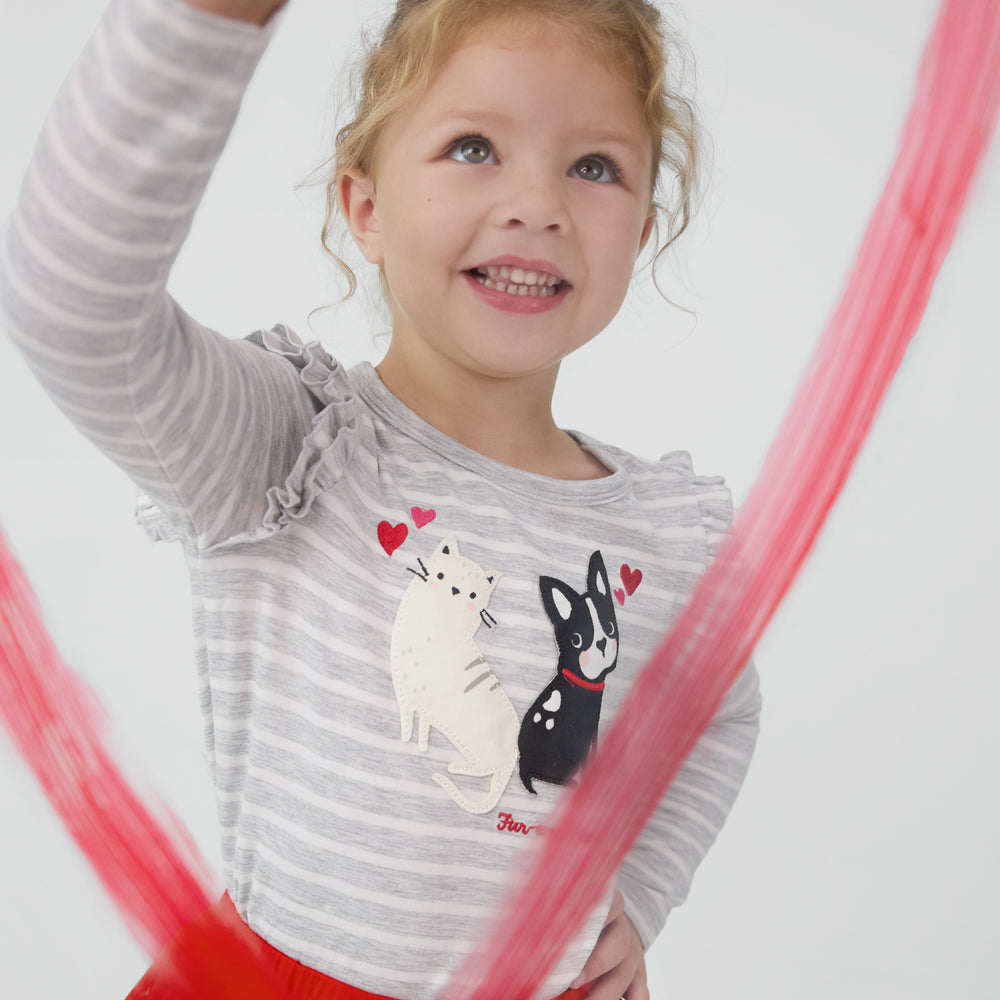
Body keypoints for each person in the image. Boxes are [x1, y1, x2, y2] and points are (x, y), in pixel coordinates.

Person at [0, 0, 762, 997]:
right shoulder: (289, 447)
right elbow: (71, 301)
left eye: (593, 167)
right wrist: (201, 21)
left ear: (642, 229)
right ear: (363, 207)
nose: (537, 202)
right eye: (473, 146)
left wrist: (642, 891)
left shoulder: (668, 529)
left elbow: (715, 717)